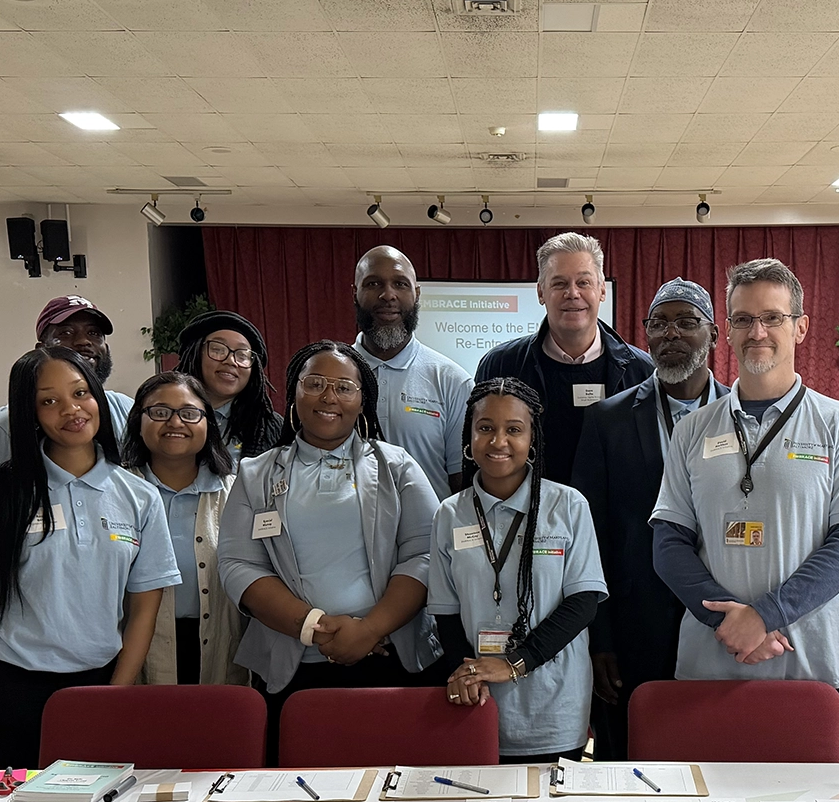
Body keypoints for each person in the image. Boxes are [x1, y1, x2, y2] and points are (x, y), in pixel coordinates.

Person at [0, 346, 180, 772]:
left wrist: (116, 692)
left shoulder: (139, 495)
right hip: (3, 679)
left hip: (97, 680)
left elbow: (145, 607)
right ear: (29, 413)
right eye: (48, 401)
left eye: (81, 393)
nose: (71, 409)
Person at [650, 258, 839, 692]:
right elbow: (668, 545)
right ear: (728, 330)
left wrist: (762, 617)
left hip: (807, 662)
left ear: (800, 327)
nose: (757, 332)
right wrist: (730, 621)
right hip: (710, 659)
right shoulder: (693, 430)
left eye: (772, 318)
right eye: (743, 319)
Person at [217, 341, 444, 744]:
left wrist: (369, 629)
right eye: (315, 383)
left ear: (363, 401)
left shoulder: (399, 467)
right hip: (293, 663)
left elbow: (425, 554)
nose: (328, 396)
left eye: (344, 387)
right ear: (294, 392)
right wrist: (315, 629)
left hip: (390, 656)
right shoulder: (255, 475)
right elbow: (239, 564)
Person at [573, 278, 725, 759]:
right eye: (658, 324)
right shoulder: (607, 421)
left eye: (686, 322)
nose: (671, 333)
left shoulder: (743, 418)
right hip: (633, 631)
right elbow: (588, 540)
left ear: (714, 334)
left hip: (723, 622)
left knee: (716, 755)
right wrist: (600, 639)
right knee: (628, 760)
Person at [430, 378, 606, 763]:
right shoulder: (449, 514)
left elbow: (583, 602)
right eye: (486, 428)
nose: (498, 442)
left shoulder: (568, 505)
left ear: (532, 440)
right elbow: (445, 610)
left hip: (553, 704)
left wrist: (514, 663)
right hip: (479, 702)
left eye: (513, 430)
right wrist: (468, 673)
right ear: (469, 436)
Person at [474, 232, 650, 484]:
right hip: (529, 518)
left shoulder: (641, 371)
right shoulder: (501, 365)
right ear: (540, 292)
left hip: (615, 521)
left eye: (584, 282)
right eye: (559, 283)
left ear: (602, 290)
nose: (572, 293)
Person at [120, 369, 246, 687]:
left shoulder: (238, 492)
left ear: (208, 423)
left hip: (218, 645)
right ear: (138, 420)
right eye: (160, 412)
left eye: (190, 413)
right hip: (131, 648)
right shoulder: (115, 491)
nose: (175, 423)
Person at [351, 246, 474, 500]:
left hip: (430, 536)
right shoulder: (329, 378)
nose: (388, 295)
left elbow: (462, 484)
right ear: (355, 294)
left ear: (417, 294)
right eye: (373, 283)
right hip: (346, 536)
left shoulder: (453, 381)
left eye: (400, 284)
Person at [0, 296, 132, 483]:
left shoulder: (126, 409)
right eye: (66, 333)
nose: (83, 341)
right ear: (42, 349)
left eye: (94, 333)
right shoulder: (6, 427)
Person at [176, 309, 284, 460]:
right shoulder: (160, 414)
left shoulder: (271, 428)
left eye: (242, 355)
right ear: (195, 354)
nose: (231, 361)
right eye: (218, 349)